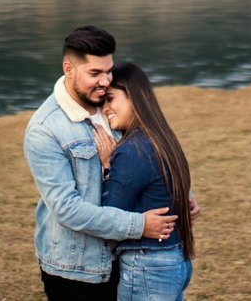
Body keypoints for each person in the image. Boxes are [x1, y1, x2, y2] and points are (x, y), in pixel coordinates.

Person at [24, 26, 178, 300]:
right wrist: (139, 225)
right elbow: (67, 209)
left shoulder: (114, 103)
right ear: (69, 69)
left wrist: (181, 195)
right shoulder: (45, 129)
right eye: (94, 73)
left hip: (125, 258)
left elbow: (148, 155)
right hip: (75, 270)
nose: (105, 81)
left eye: (108, 71)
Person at [99, 62, 196, 301]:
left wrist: (107, 167)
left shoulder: (132, 150)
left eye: (111, 98)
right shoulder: (161, 138)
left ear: (133, 97)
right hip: (175, 258)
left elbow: (110, 215)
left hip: (148, 264)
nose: (105, 108)